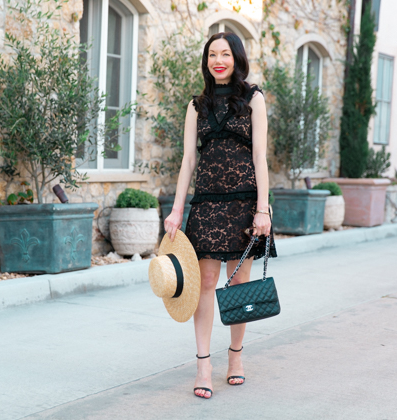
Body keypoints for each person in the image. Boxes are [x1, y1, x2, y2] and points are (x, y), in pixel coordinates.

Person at [163, 32, 277, 400]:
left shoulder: (253, 98)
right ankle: (203, 364)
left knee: (239, 283)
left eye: (225, 53)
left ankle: (236, 357)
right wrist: (176, 209)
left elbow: (260, 158)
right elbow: (188, 161)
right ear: (207, 61)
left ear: (236, 58)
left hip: (243, 204)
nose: (218, 60)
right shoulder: (196, 106)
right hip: (208, 203)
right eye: (212, 54)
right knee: (205, 282)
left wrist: (263, 209)